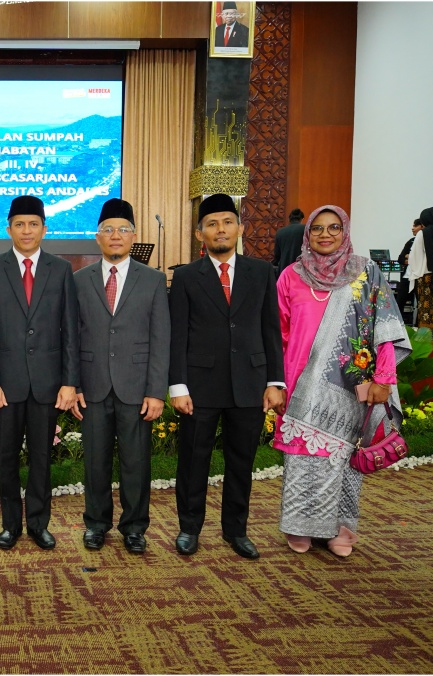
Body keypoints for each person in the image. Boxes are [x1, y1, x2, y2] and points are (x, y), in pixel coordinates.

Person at [274, 205, 411, 557]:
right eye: (317, 228)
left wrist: (384, 377)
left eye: (333, 227)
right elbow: (278, 334)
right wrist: (275, 382)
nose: (325, 234)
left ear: (345, 231)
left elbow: (385, 329)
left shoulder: (366, 272)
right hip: (300, 382)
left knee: (343, 455)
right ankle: (299, 525)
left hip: (350, 383)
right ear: (307, 234)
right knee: (303, 454)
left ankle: (340, 527)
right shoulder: (290, 275)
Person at [168, 193, 285, 559]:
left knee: (241, 462)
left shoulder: (262, 272)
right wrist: (178, 385)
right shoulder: (186, 277)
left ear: (240, 228)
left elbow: (271, 329)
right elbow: (177, 334)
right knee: (193, 461)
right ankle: (189, 528)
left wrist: (275, 381)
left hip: (249, 383)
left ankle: (236, 530)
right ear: (199, 233)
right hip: (200, 385)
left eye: (227, 222)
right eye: (212, 224)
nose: (221, 229)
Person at [0, 195, 79, 551]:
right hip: (5, 385)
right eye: (19, 224)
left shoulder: (61, 269)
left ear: (44, 229)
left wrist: (69, 381)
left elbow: (70, 330)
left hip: (47, 384)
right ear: (9, 229)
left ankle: (38, 523)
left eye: (33, 224)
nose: (26, 230)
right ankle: (10, 525)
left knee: (41, 458)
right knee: (6, 458)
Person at [70, 198, 170, 554]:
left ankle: (134, 527)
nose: (115, 235)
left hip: (137, 387)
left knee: (135, 462)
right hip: (93, 387)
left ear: (133, 236)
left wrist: (156, 391)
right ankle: (96, 524)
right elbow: (72, 337)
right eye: (108, 230)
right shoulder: (78, 280)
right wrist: (74, 384)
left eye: (123, 229)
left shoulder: (153, 280)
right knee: (95, 462)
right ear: (97, 236)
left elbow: (161, 338)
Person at [394, 219, 424, 321]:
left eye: (415, 226)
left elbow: (421, 259)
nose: (412, 228)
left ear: (422, 227)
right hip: (407, 276)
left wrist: (409, 257)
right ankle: (398, 324)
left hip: (420, 276)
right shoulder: (411, 241)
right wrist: (410, 259)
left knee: (421, 303)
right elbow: (401, 258)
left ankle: (419, 324)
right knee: (399, 301)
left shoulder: (426, 241)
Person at [271, 208, 306, 276]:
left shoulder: (280, 231)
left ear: (289, 219)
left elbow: (277, 254)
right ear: (302, 219)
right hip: (301, 268)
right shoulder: (305, 229)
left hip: (284, 268)